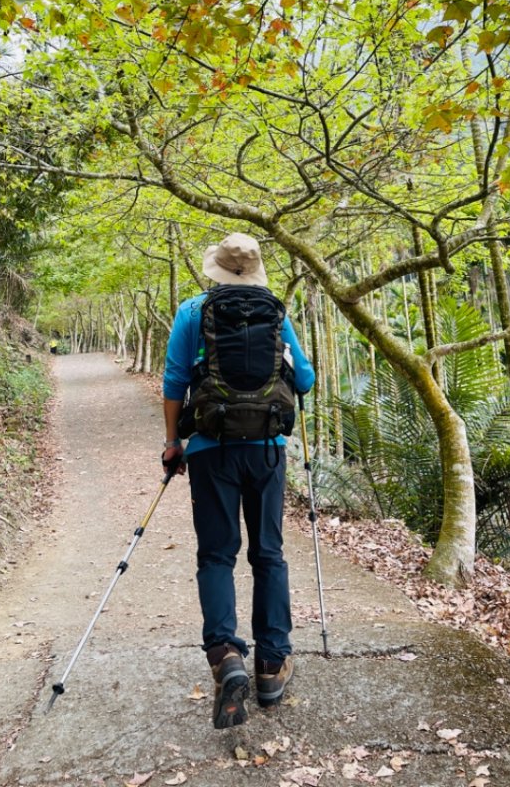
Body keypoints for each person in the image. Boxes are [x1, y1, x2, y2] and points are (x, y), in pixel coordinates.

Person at [162, 232, 315, 729]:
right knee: (268, 553)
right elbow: (307, 379)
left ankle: (226, 656)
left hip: (211, 448)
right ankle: (272, 665)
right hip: (268, 450)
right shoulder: (276, 312)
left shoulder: (191, 312)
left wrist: (173, 443)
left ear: (216, 271)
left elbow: (173, 381)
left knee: (216, 554)